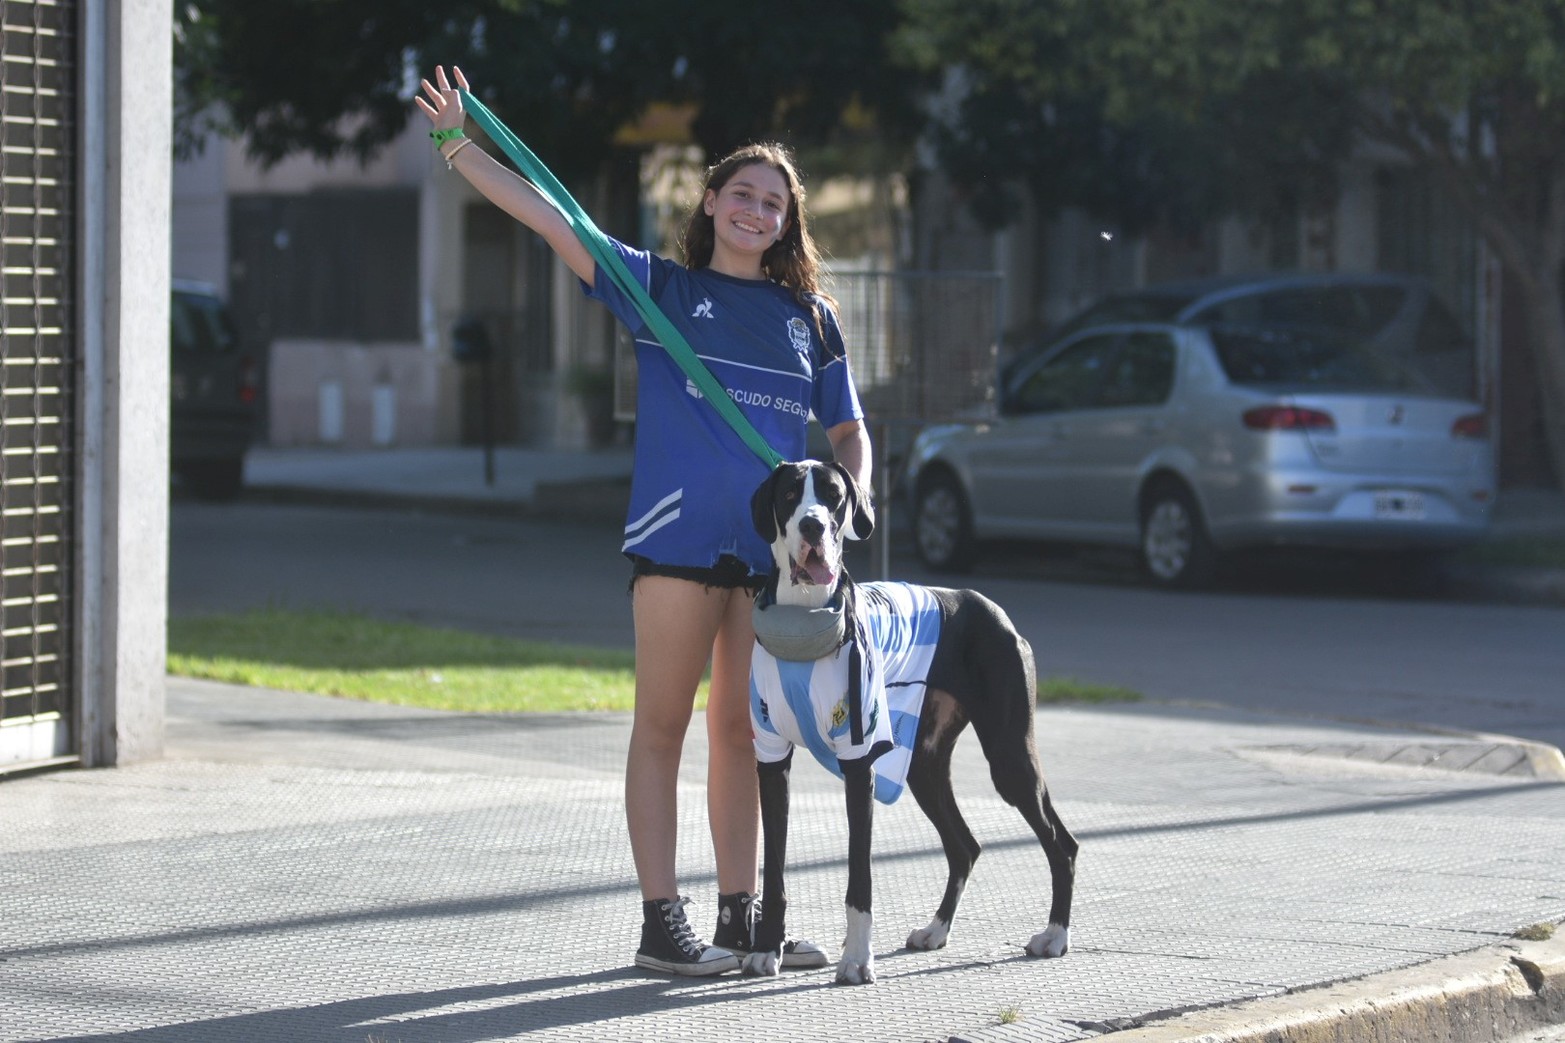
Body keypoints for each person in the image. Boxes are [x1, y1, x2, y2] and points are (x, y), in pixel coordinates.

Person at [417, 66, 872, 976]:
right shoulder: (658, 286)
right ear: (707, 203)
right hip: (674, 545)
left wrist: (848, 504)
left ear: (788, 222)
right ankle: (661, 920)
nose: (755, 210)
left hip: (774, 561)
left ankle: (746, 918)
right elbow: (548, 216)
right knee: (661, 725)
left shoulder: (809, 318)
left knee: (745, 734)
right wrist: (456, 145)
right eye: (740, 193)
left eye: (772, 203)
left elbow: (850, 432)